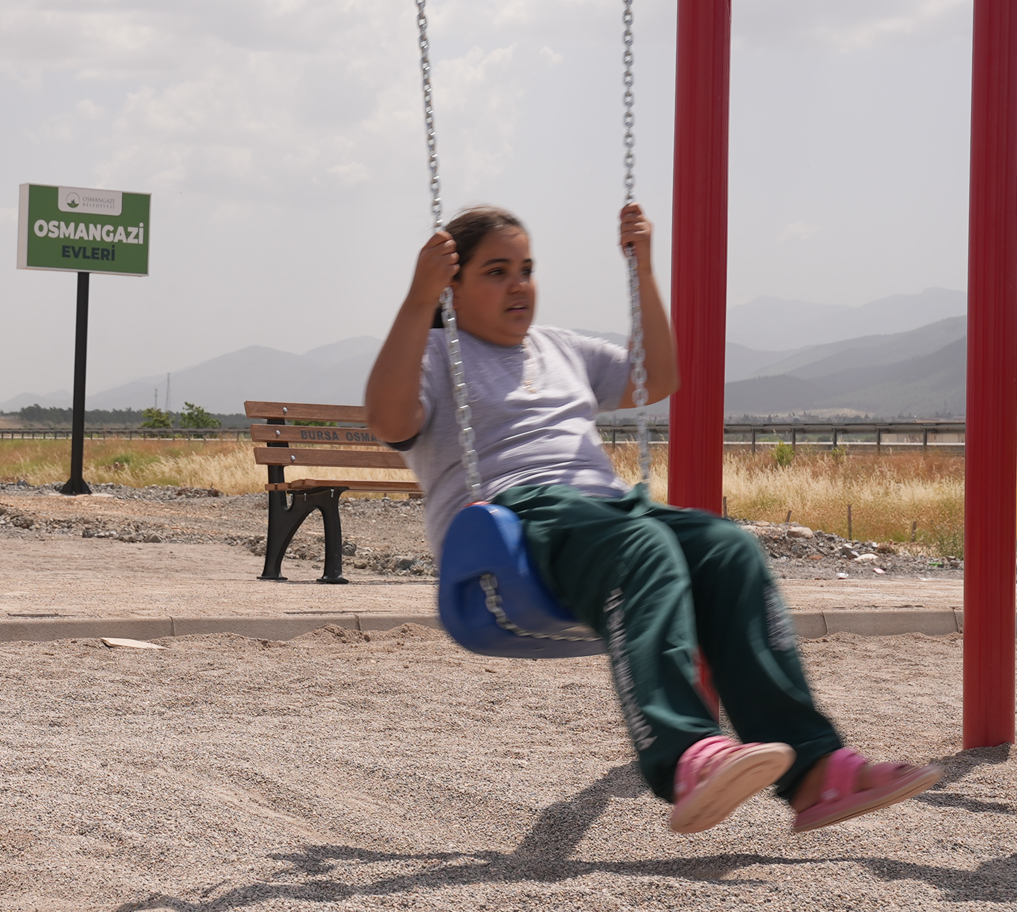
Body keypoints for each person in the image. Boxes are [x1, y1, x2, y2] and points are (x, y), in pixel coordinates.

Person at [364, 203, 940, 834]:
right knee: (643, 544)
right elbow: (389, 420)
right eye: (496, 271)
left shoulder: (559, 347)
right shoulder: (433, 351)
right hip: (516, 517)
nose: (519, 285)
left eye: (525, 269)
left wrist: (642, 270)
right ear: (451, 289)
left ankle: (814, 770)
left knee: (726, 546)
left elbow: (656, 378)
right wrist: (418, 301)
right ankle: (685, 753)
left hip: (605, 511)